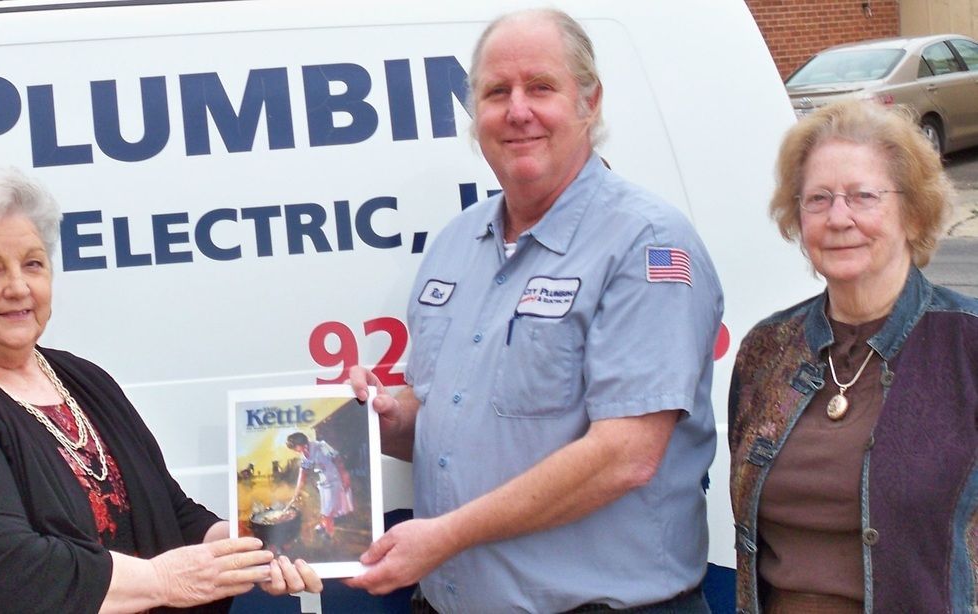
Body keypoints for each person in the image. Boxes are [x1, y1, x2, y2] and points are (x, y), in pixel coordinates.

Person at [345, 8, 724, 613]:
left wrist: (445, 536)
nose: (517, 110)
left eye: (541, 87)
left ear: (589, 102)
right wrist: (387, 419)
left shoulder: (646, 243)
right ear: (475, 115)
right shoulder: (453, 245)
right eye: (497, 92)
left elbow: (626, 455)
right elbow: (454, 413)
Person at [0, 164, 322, 613]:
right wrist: (163, 581)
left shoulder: (84, 380)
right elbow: (14, 577)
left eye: (33, 264)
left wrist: (255, 545)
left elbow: (172, 513)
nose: (18, 287)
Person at [728, 99, 978, 613]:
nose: (838, 218)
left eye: (863, 196)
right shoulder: (766, 351)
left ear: (912, 212)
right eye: (818, 199)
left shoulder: (967, 347)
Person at [286, 432, 353, 540]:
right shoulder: (305, 455)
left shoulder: (321, 446)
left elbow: (337, 460)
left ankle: (329, 533)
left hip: (334, 481)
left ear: (301, 442)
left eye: (294, 447)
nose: (295, 450)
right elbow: (302, 474)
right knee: (324, 508)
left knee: (328, 512)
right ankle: (323, 525)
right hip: (323, 483)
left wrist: (344, 476)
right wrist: (296, 493)